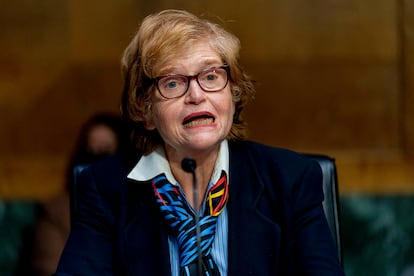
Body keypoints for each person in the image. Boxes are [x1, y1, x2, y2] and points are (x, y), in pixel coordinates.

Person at [55, 9, 344, 275]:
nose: (196, 95)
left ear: (232, 93)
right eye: (172, 83)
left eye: (210, 76)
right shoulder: (106, 190)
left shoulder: (290, 178)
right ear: (145, 110)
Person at [30, 112, 127, 276]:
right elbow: (48, 266)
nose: (96, 163)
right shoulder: (56, 211)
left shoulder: (146, 205)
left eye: (105, 152)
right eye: (89, 152)